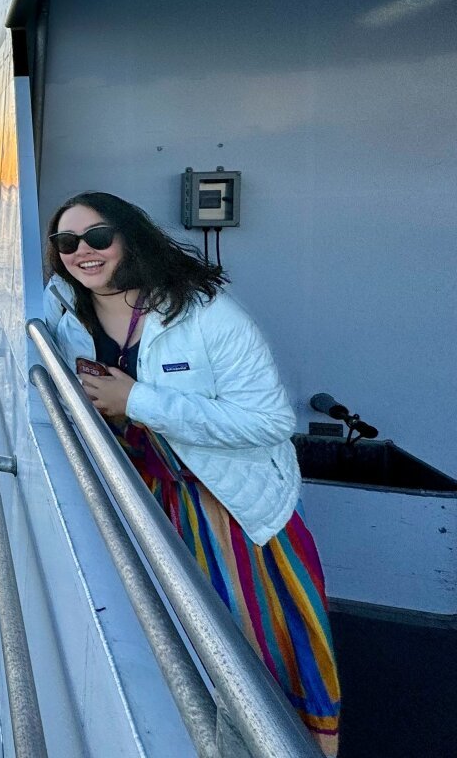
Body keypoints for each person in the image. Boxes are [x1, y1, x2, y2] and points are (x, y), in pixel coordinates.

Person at [42, 191, 340, 756]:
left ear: (130, 237)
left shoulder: (204, 314)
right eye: (67, 242)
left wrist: (137, 401)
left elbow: (270, 421)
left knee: (257, 647)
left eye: (98, 237)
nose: (83, 251)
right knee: (173, 641)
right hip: (145, 496)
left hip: (228, 507)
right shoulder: (67, 317)